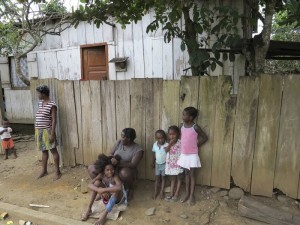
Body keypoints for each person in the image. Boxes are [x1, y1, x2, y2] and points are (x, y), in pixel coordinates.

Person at [88, 128, 143, 200]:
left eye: (123, 137)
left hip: (126, 170)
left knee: (125, 173)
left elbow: (133, 165)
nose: (121, 138)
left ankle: (130, 189)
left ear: (129, 139)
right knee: (91, 168)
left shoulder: (138, 150)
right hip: (113, 167)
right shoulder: (119, 142)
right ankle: (104, 189)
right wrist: (111, 158)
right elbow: (111, 153)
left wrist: (118, 163)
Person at [82, 154, 127, 225]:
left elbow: (119, 187)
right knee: (96, 183)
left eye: (112, 169)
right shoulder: (101, 175)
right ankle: (89, 209)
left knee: (116, 190)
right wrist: (98, 189)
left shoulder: (115, 176)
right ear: (103, 170)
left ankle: (104, 216)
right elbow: (89, 184)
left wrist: (103, 190)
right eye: (107, 170)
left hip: (118, 198)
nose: (110, 172)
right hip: (109, 194)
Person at [177, 106, 208, 205]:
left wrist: (196, 144)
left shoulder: (195, 127)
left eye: (184, 115)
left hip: (192, 155)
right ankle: (187, 193)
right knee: (186, 174)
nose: (182, 116)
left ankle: (191, 195)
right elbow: (179, 137)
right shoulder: (181, 126)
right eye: (183, 114)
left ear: (190, 117)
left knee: (192, 175)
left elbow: (205, 138)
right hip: (184, 154)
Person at [35, 85, 62, 180]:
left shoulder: (52, 105)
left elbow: (54, 120)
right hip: (39, 130)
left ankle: (58, 172)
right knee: (44, 151)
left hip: (47, 130)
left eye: (38, 93)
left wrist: (52, 133)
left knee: (53, 151)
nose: (37, 95)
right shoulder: (40, 103)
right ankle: (44, 170)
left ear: (43, 94)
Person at [164, 125, 183, 202]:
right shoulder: (167, 143)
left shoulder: (180, 142)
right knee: (172, 179)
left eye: (173, 134)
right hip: (171, 165)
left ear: (178, 134)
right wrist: (170, 144)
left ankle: (176, 193)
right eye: (170, 134)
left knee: (179, 179)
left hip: (179, 164)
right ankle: (171, 193)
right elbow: (166, 150)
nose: (171, 136)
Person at [152, 129, 168, 199]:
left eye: (162, 138)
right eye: (158, 138)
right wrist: (152, 162)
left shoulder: (167, 145)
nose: (161, 140)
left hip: (164, 164)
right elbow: (153, 153)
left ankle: (161, 191)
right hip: (157, 164)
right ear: (156, 138)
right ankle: (155, 191)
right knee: (157, 178)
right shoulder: (155, 145)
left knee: (163, 178)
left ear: (165, 137)